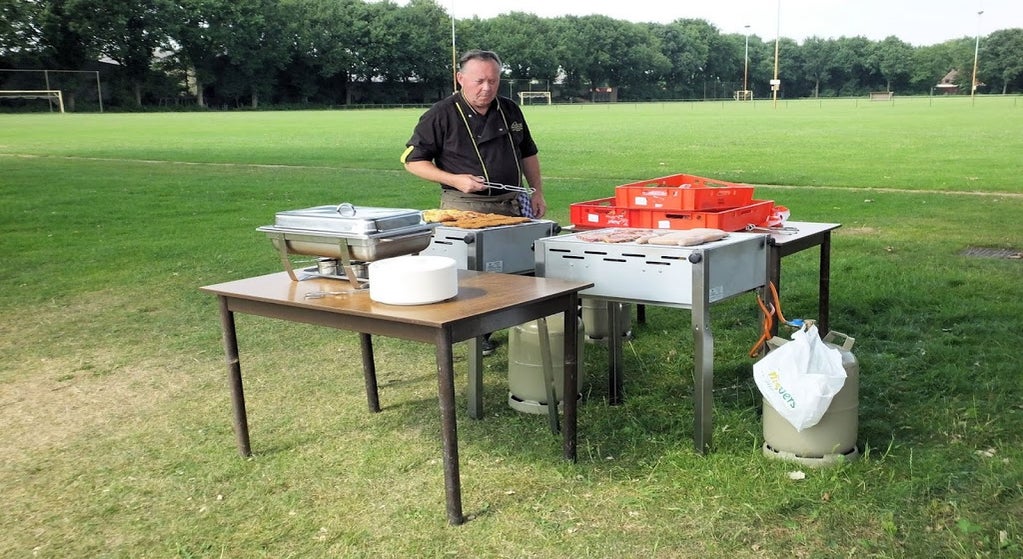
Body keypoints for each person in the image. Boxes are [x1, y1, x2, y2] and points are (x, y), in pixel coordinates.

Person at [401, 49, 547, 355]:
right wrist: (455, 179)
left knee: (519, 267)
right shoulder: (440, 114)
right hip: (464, 207)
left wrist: (536, 191)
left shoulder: (509, 109)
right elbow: (412, 161)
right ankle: (475, 333)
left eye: (493, 81)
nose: (487, 88)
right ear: (460, 78)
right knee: (472, 276)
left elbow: (528, 153)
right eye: (479, 81)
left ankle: (523, 323)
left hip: (512, 203)